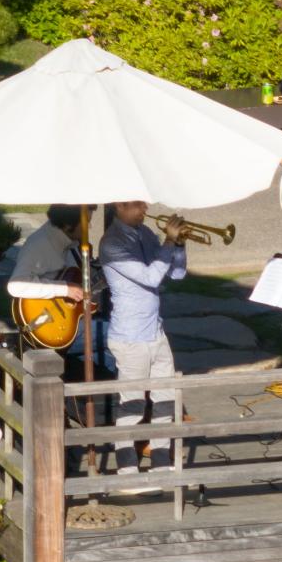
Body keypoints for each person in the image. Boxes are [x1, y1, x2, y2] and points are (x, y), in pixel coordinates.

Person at [98, 201, 188, 490]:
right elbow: (150, 277)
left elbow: (175, 274)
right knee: (133, 404)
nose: (145, 208)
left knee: (165, 399)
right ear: (120, 207)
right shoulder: (111, 243)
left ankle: (161, 465)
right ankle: (127, 473)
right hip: (130, 336)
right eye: (137, 204)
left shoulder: (146, 233)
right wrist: (170, 240)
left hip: (155, 332)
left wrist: (180, 245)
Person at [8, 204, 108, 367]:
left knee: (115, 349)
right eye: (85, 222)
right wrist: (65, 289)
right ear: (68, 225)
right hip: (44, 324)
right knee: (119, 337)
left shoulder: (71, 244)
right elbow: (15, 286)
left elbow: (76, 278)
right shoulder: (39, 244)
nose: (88, 227)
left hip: (70, 322)